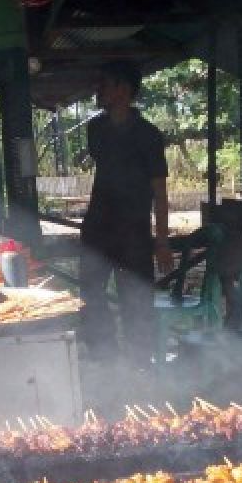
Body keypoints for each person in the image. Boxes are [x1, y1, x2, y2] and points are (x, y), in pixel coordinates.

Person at [78, 61, 173, 367]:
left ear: (124, 90)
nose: (99, 90)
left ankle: (138, 362)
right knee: (90, 292)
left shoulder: (149, 135)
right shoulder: (96, 129)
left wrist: (161, 241)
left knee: (136, 300)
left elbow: (159, 191)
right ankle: (103, 355)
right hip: (98, 228)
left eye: (104, 84)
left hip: (133, 232)